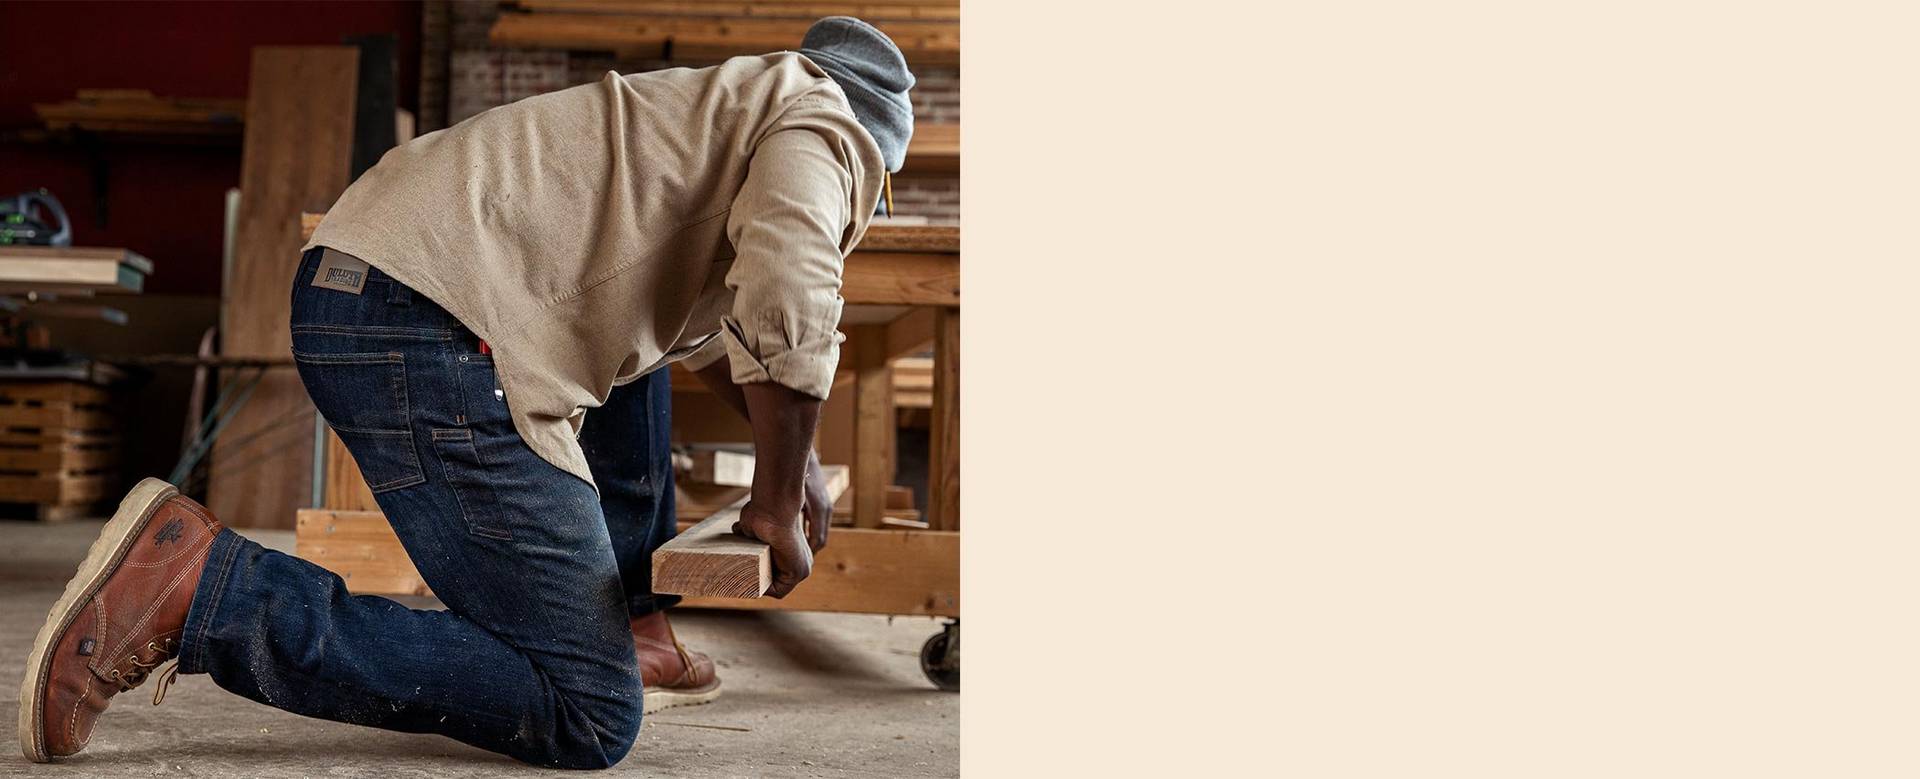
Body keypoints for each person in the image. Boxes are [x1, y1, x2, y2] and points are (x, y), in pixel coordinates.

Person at [18, 16, 913, 768]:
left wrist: (790, 461)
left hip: (375, 290)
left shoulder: (716, 110)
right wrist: (772, 499)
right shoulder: (825, 120)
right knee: (589, 710)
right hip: (427, 328)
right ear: (875, 151)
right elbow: (792, 291)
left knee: (635, 369)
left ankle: (630, 624)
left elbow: (712, 330)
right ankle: (206, 590)